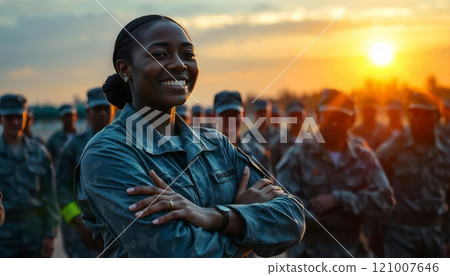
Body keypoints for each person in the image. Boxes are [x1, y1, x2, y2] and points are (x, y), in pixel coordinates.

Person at [75, 15, 305, 257]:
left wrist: (215, 216)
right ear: (125, 70)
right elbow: (175, 252)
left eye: (188, 55)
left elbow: (292, 218)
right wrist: (244, 225)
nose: (179, 65)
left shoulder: (216, 144)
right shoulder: (109, 152)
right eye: (160, 55)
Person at [276, 89, 394, 258]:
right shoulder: (296, 157)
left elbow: (385, 201)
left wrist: (340, 199)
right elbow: (283, 210)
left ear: (352, 120)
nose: (333, 124)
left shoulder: (364, 157)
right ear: (318, 117)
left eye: (340, 118)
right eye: (329, 116)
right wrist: (345, 217)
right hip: (308, 255)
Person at [377, 92, 450, 258]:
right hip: (399, 234)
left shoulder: (446, 151)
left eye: (425, 114)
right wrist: (375, 232)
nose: (419, 119)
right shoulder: (391, 150)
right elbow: (376, 191)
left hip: (435, 233)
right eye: (415, 113)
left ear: (437, 117)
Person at [0, 94, 59, 257]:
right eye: (9, 118)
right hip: (3, 236)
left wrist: (50, 234)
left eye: (18, 117)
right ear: (0, 119)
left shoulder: (40, 153)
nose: (14, 122)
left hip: (35, 234)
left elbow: (50, 195)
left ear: (26, 118)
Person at [56, 88, 113, 257]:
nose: (102, 113)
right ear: (88, 112)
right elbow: (62, 188)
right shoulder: (73, 146)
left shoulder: (128, 143)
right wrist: (78, 221)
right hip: (82, 235)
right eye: (97, 109)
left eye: (106, 109)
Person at [213, 90, 270, 172]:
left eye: (234, 114)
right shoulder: (204, 154)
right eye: (225, 114)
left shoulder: (257, 153)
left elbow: (270, 183)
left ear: (243, 115)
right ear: (213, 116)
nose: (230, 119)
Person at [270, 100, 305, 174]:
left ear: (304, 116)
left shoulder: (312, 142)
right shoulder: (278, 142)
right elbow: (274, 170)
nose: (296, 118)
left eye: (299, 114)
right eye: (293, 115)